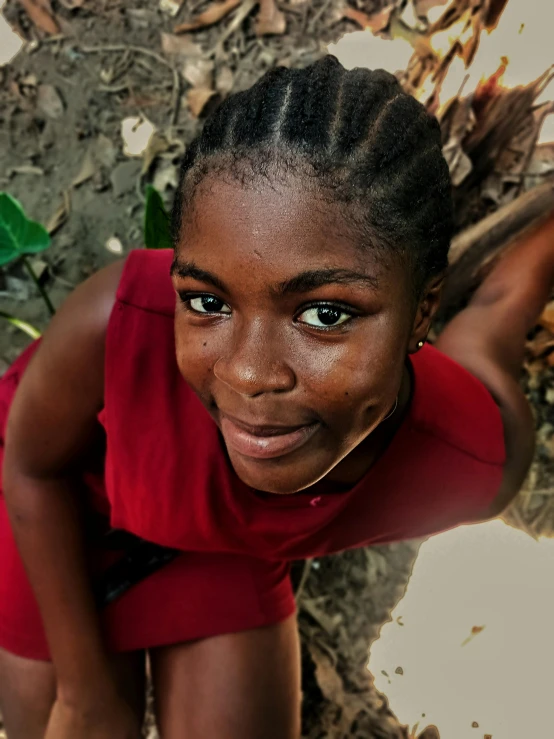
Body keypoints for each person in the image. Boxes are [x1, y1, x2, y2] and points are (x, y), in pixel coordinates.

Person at [0, 55, 551, 739]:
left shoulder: (469, 460)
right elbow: (30, 466)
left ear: (420, 315)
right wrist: (88, 692)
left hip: (219, 547)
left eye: (324, 314)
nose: (249, 375)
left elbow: (497, 311)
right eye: (206, 300)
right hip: (65, 506)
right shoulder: (116, 327)